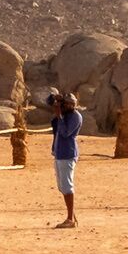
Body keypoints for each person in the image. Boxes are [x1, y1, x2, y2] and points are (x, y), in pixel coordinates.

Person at [48, 88, 84, 228]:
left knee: (67, 186)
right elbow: (48, 101)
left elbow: (65, 133)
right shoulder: (64, 114)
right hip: (59, 153)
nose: (67, 106)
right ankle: (72, 216)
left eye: (69, 104)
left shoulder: (75, 116)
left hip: (67, 153)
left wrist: (59, 117)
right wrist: (54, 98)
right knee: (62, 186)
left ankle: (70, 219)